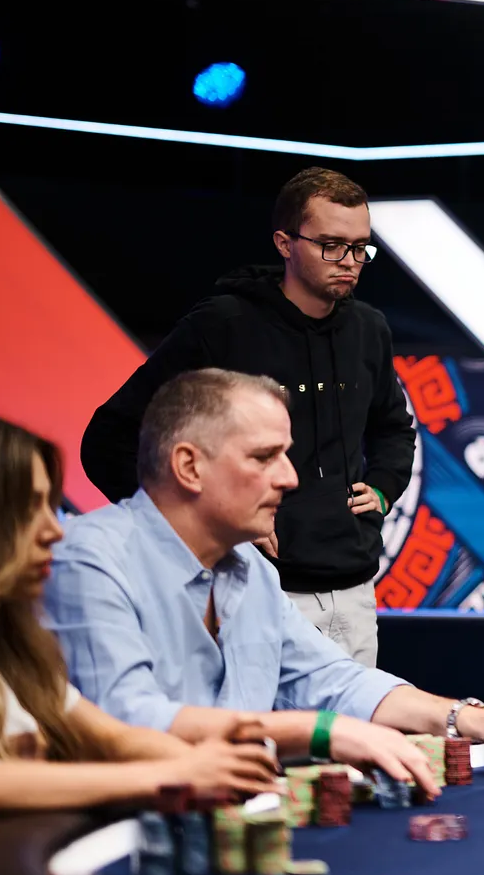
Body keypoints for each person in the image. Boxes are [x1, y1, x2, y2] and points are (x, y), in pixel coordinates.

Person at [48, 369, 484, 797]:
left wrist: (466, 719)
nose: (289, 478)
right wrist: (319, 732)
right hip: (109, 843)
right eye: (264, 457)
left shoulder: (252, 570)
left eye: (286, 456)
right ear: (189, 467)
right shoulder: (89, 558)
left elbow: (332, 680)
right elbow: (126, 720)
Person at [80, 167, 413, 666]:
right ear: (284, 243)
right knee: (251, 721)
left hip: (357, 590)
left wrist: (384, 486)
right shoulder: (224, 325)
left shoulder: (370, 328)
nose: (349, 262)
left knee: (358, 719)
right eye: (331, 246)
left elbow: (393, 427)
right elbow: (110, 439)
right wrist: (197, 524)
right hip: (249, 588)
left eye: (360, 247)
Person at [0, 416, 279, 810]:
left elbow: (115, 737)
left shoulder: (15, 648)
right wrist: (171, 774)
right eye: (29, 509)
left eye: (50, 506)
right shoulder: (90, 557)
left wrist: (215, 767)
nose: (54, 530)